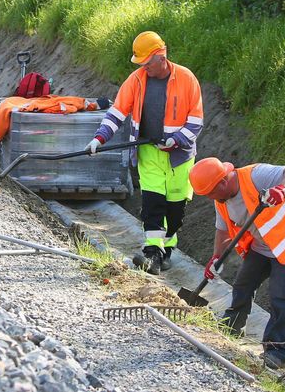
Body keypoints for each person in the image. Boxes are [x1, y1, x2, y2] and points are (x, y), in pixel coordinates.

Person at [85, 31, 203, 274]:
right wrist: (99, 138)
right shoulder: (136, 80)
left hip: (179, 158)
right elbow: (117, 113)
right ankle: (152, 254)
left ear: (161, 57)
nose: (143, 67)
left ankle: (166, 250)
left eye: (146, 63)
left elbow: (196, 121)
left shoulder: (186, 79)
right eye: (140, 63)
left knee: (175, 210)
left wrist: (175, 140)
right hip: (148, 153)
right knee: (152, 205)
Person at [188, 156, 285, 370]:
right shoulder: (221, 200)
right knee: (243, 284)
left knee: (281, 296)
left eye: (210, 192)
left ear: (222, 182)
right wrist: (216, 257)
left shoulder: (256, 175)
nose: (209, 197)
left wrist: (282, 189)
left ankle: (277, 349)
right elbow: (222, 230)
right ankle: (232, 325)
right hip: (263, 244)